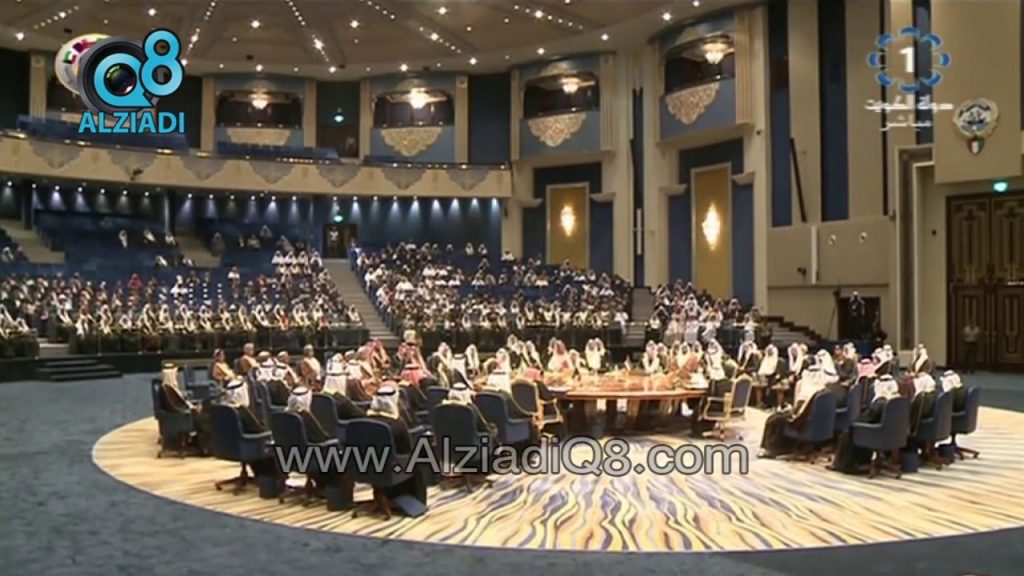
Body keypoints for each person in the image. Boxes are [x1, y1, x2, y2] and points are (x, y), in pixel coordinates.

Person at [758, 360, 829, 458]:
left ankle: (772, 450)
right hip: (817, 423)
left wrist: (789, 413)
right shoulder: (824, 390)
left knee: (773, 420)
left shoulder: (808, 391)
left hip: (804, 421)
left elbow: (799, 412)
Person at [830, 375, 901, 474]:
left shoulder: (881, 402)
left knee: (849, 431)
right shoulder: (899, 399)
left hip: (877, 434)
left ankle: (844, 465)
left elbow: (866, 418)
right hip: (893, 436)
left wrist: (854, 422)